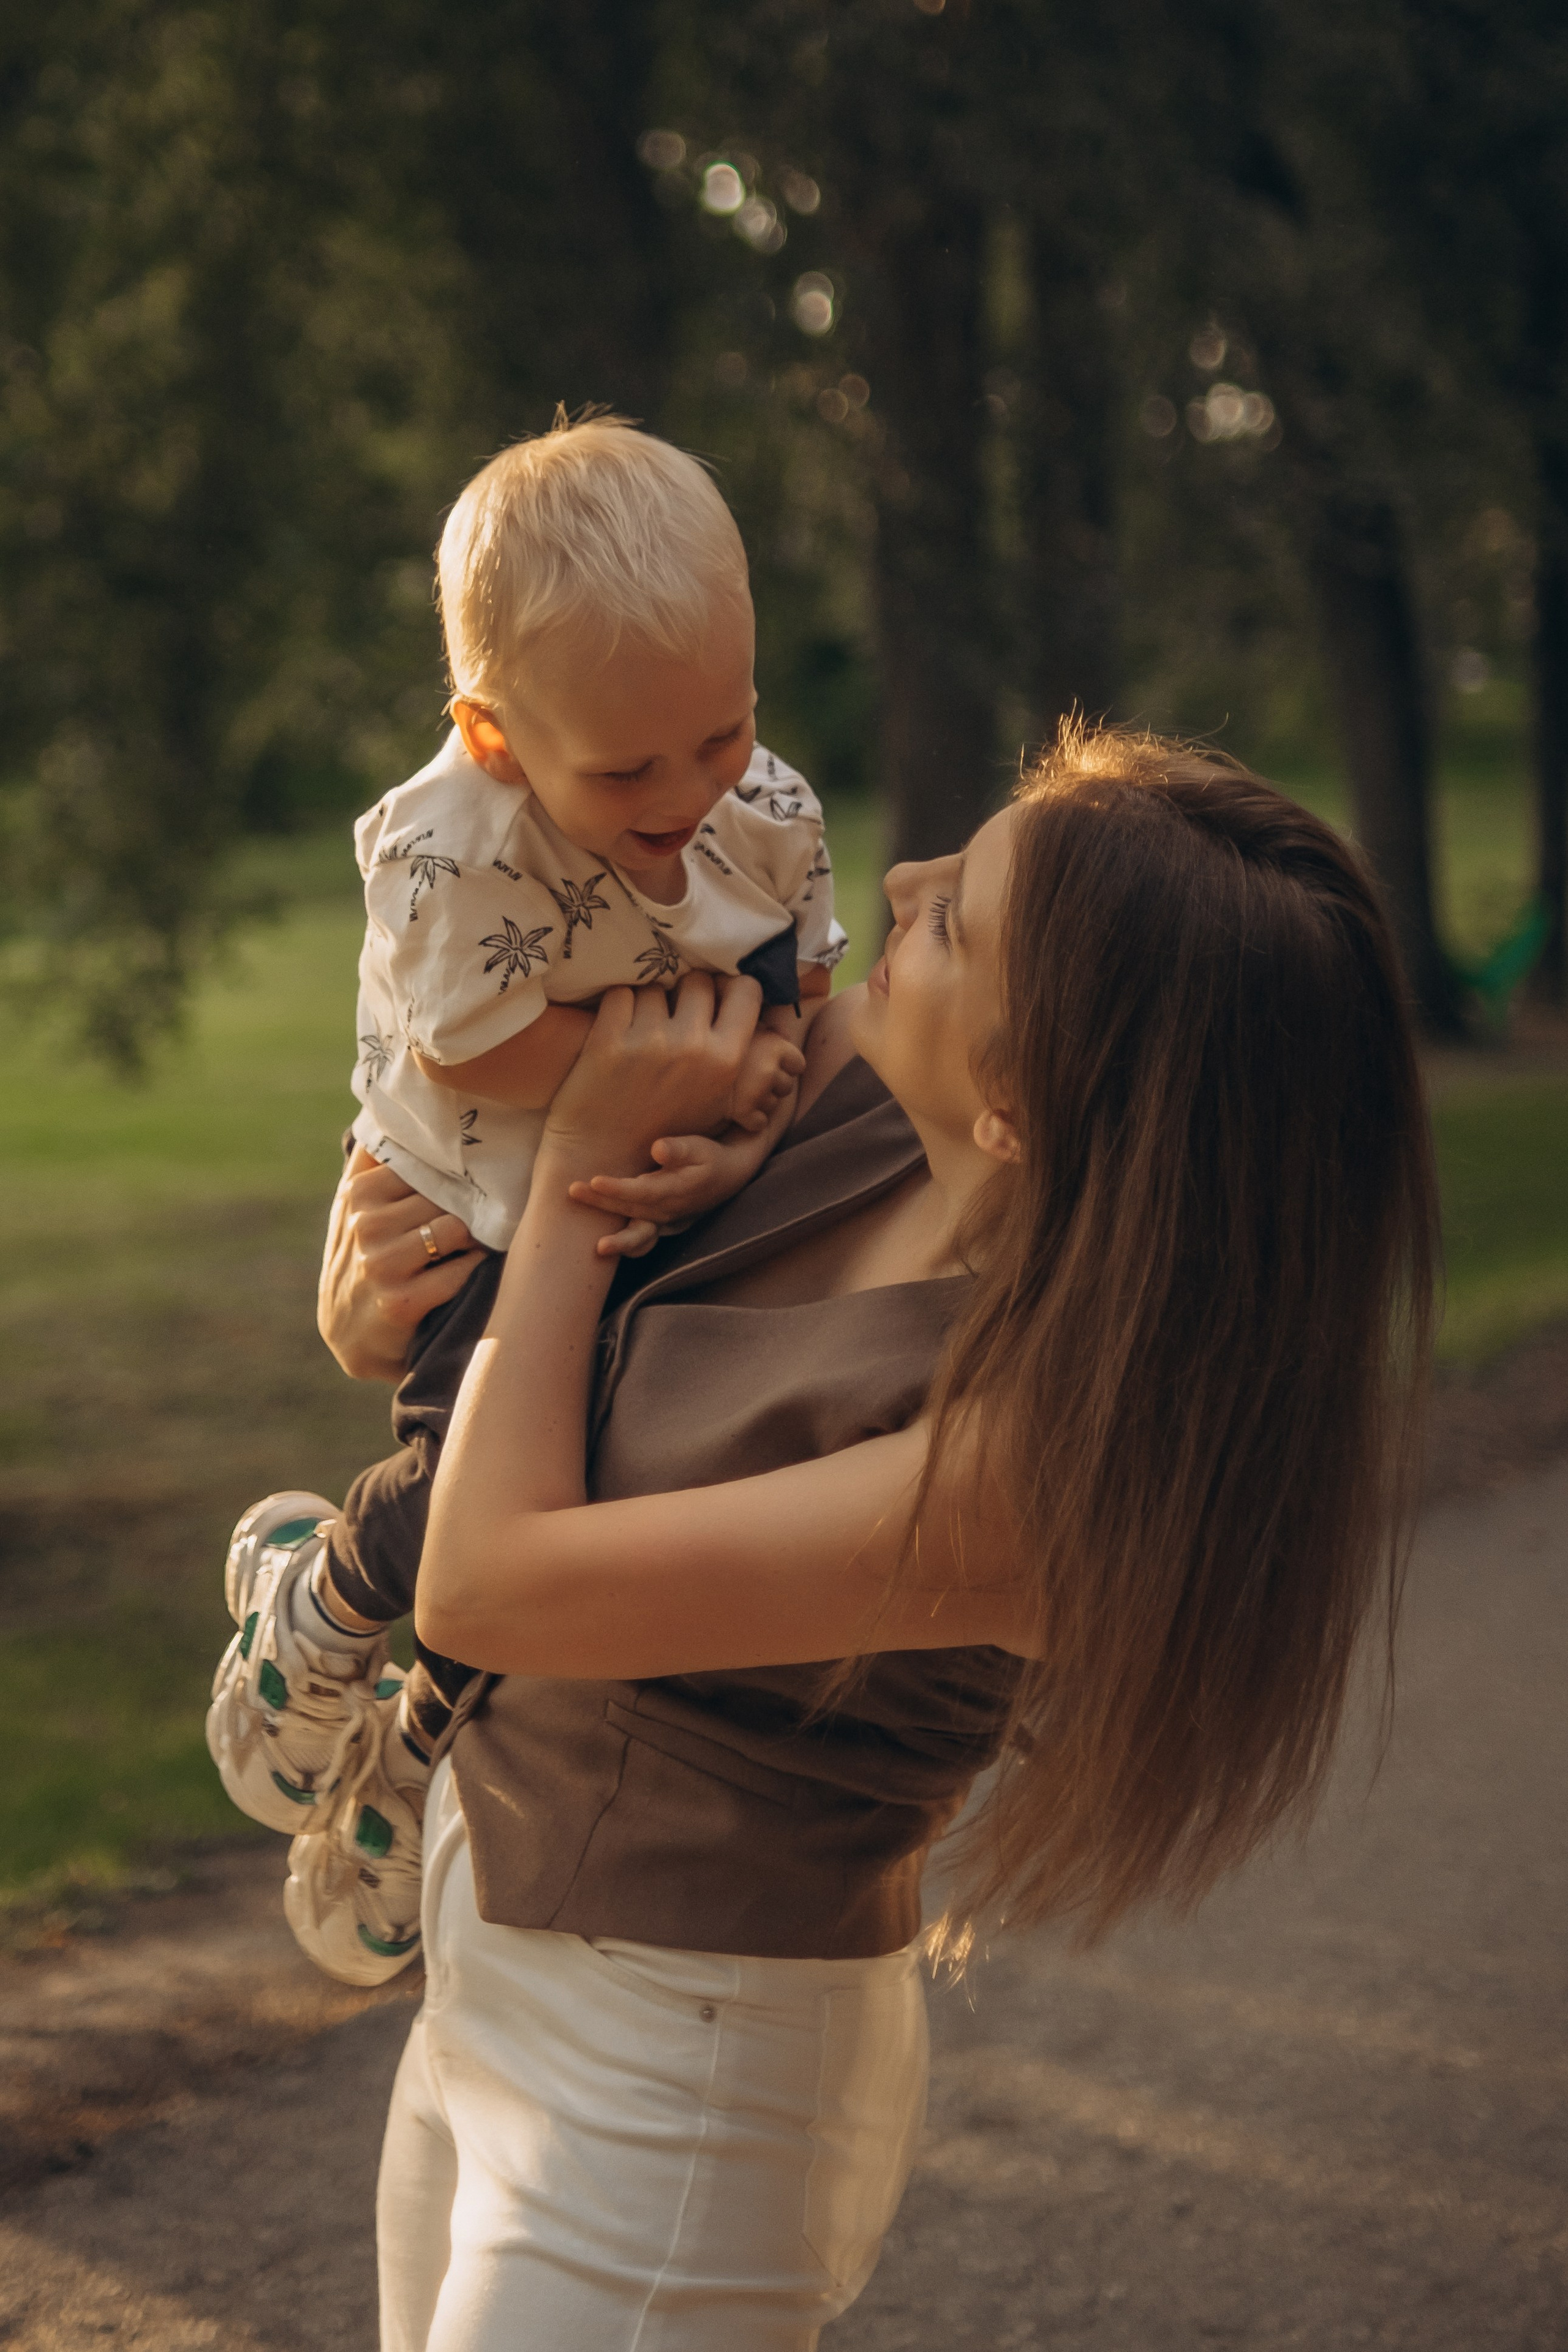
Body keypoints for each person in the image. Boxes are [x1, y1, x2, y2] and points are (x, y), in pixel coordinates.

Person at [315, 724, 1438, 2351]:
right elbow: (522, 1339)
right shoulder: (848, 1098)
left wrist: (566, 1190)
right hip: (490, 1969)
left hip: (678, 2082)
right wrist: (381, 1304)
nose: (898, 882)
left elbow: (492, 1586)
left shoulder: (1037, 1463)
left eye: (955, 923)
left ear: (1027, 1110)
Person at [206, 412, 848, 1978]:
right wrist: (674, 1077)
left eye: (721, 732)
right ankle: (332, 1592)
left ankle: (416, 1754)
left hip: (649, 1184)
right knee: (481, 1476)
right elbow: (484, 1051)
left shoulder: (758, 810)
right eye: (626, 767)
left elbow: (807, 998)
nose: (689, 788)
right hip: (469, 1196)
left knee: (603, 1493)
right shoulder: (449, 850)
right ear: (495, 738)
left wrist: (758, 1090)